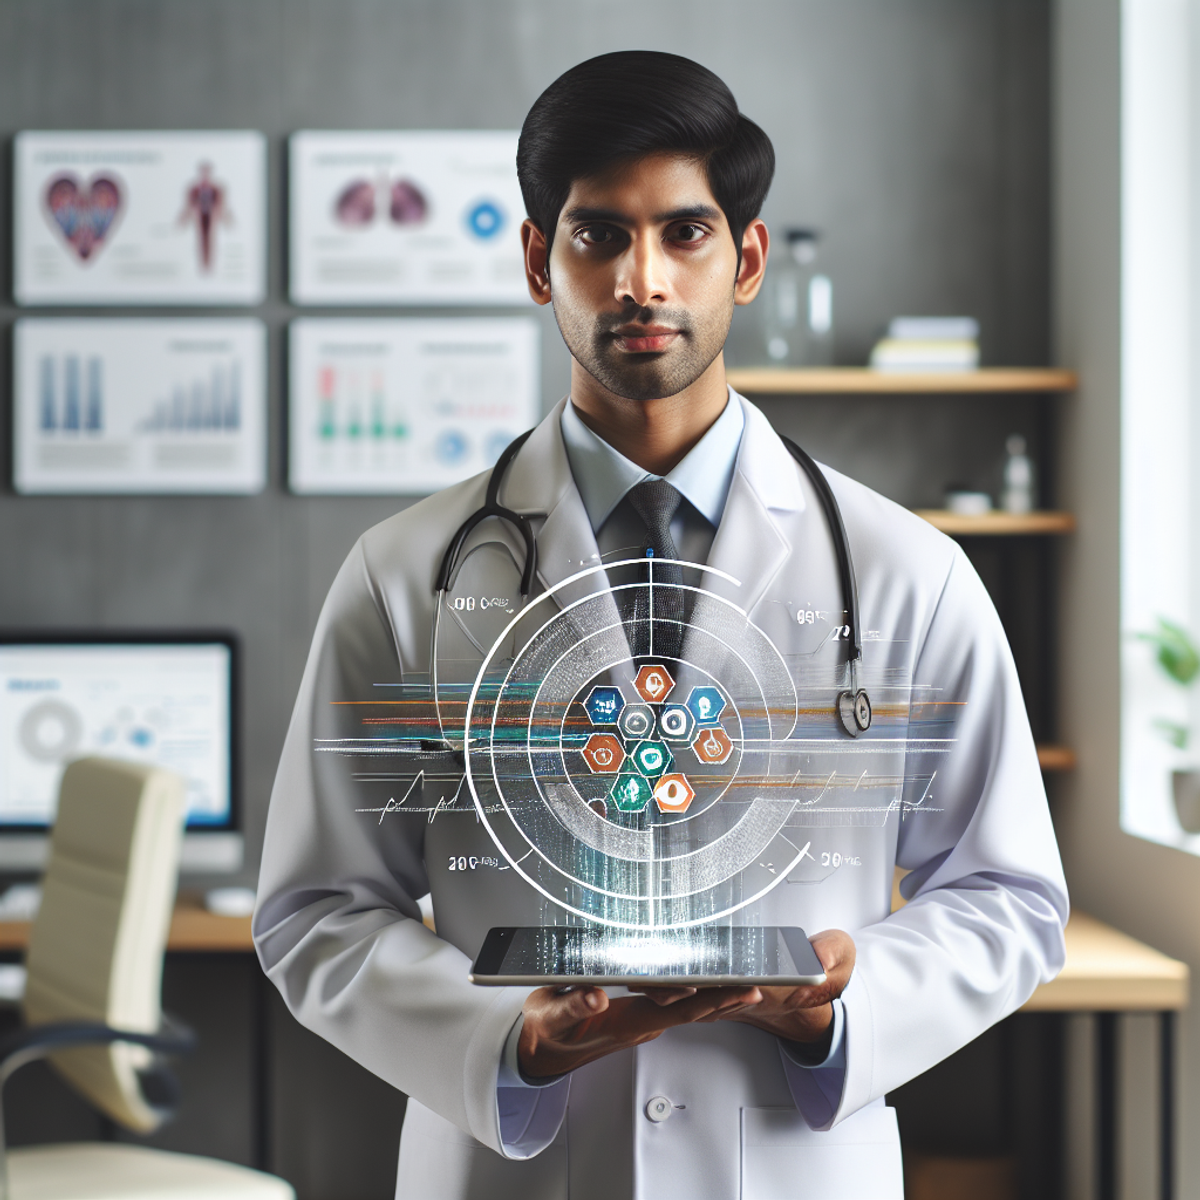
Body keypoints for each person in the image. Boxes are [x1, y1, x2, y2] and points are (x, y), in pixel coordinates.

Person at [254, 51, 1068, 1200]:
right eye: (598, 236)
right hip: (512, 1168)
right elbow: (316, 912)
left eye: (684, 233)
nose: (642, 279)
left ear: (746, 260)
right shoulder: (406, 577)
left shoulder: (905, 574)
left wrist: (842, 1005)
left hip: (790, 1163)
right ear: (540, 261)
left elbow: (1007, 897)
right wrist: (510, 1042)